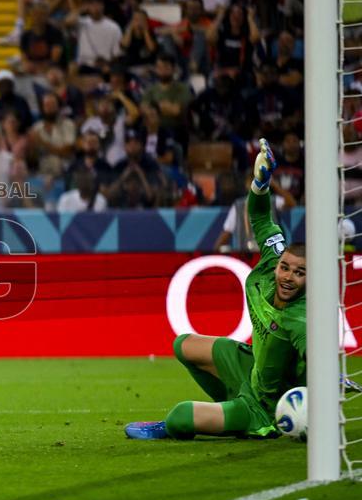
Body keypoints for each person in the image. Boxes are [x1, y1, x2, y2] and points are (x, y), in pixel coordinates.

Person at [125, 140, 305, 440]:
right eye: (285, 267)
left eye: (300, 273)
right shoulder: (274, 258)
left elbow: (312, 354)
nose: (288, 277)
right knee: (183, 344)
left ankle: (236, 415)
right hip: (250, 365)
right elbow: (260, 217)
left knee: (180, 417)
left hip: (264, 405)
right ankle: (226, 408)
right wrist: (260, 184)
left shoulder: (300, 319)